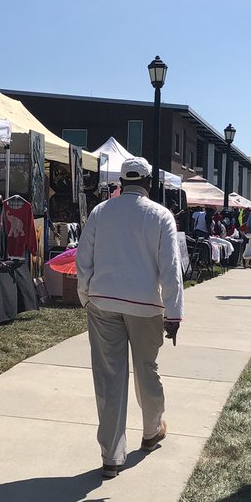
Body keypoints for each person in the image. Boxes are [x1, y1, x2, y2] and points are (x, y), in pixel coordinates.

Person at [75, 156, 184, 479]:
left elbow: (84, 258)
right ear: (149, 182)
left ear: (122, 182)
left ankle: (111, 454)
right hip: (147, 305)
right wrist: (174, 314)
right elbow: (170, 269)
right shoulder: (161, 215)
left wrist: (85, 295)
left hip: (103, 301)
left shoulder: (100, 212)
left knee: (109, 378)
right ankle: (151, 430)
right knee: (147, 369)